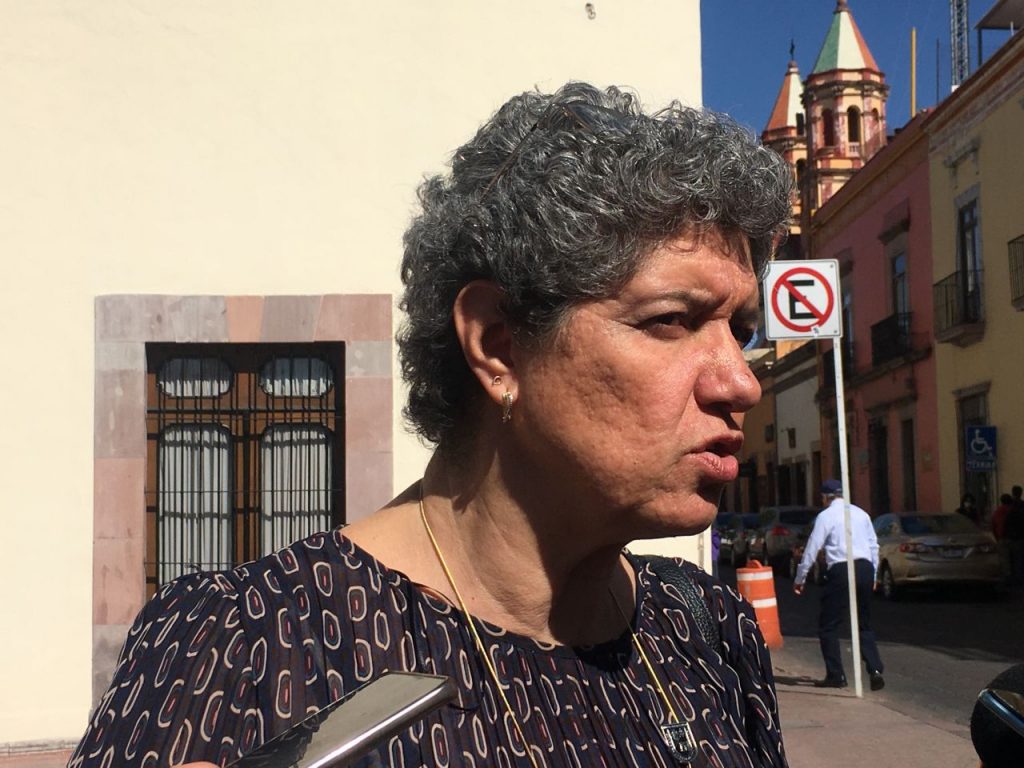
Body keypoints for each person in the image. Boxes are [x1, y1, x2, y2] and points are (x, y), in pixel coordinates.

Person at [69, 81, 793, 768]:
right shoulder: (243, 645)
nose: (740, 382)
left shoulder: (707, 631)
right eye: (671, 320)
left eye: (740, 331)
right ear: (497, 346)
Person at [793, 480, 885, 691]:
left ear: (826, 497)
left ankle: (836, 674)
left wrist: (800, 577)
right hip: (864, 567)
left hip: (841, 569)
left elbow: (813, 547)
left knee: (829, 625)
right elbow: (874, 546)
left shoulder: (825, 516)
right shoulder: (861, 514)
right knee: (864, 622)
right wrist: (873, 575)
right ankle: (875, 669)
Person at [1006, 485, 1024, 584]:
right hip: (1021, 536)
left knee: (1014, 559)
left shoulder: (1011, 506)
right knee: (1020, 559)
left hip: (1013, 537)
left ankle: (1016, 579)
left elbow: (1008, 522)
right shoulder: (1022, 505)